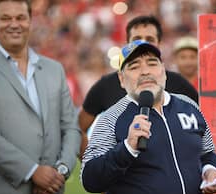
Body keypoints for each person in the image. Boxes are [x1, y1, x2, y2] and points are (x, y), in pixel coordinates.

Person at [80, 40, 216, 194]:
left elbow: (207, 152)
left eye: (152, 63)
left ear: (164, 71)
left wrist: (210, 170)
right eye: (134, 67)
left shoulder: (189, 105)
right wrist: (127, 148)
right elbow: (90, 179)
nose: (145, 71)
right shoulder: (111, 118)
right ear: (121, 79)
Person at [0, 1, 81, 194]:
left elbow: (70, 127)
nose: (14, 24)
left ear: (30, 21)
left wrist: (60, 171)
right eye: (6, 18)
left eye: (20, 17)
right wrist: (33, 171)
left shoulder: (54, 69)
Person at [78, 15, 199, 157]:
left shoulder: (179, 84)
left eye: (149, 39)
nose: (142, 43)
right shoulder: (106, 85)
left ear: (159, 44)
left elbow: (205, 127)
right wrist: (91, 163)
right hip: (123, 173)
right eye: (137, 39)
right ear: (127, 43)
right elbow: (78, 128)